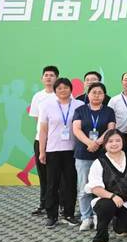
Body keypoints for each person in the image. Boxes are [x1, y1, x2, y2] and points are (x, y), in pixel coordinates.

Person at [38, 77, 84, 227]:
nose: (63, 90)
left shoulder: (79, 105)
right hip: (53, 150)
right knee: (52, 184)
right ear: (55, 90)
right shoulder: (47, 105)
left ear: (71, 89)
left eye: (65, 87)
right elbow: (43, 130)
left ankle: (69, 213)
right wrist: (42, 151)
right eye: (59, 88)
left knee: (70, 183)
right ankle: (52, 215)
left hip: (72, 150)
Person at [72, 82, 116, 231]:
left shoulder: (109, 111)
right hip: (83, 153)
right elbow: (76, 129)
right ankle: (86, 217)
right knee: (84, 187)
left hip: (103, 154)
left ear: (104, 95)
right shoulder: (80, 110)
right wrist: (89, 142)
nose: (97, 95)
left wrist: (97, 142)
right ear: (88, 94)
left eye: (100, 93)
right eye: (94, 92)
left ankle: (99, 216)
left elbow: (110, 129)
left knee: (102, 186)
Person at [86, 129, 127, 242]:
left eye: (117, 140)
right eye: (110, 141)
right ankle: (101, 237)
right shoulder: (99, 162)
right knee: (106, 206)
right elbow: (95, 188)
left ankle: (119, 224)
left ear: (123, 142)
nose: (114, 143)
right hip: (106, 200)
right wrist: (112, 196)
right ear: (105, 144)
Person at [27, 65, 59, 215]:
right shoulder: (38, 96)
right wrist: (43, 135)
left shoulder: (62, 94)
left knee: (58, 176)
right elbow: (37, 119)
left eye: (52, 75)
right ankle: (44, 204)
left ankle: (60, 205)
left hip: (58, 142)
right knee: (43, 174)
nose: (48, 78)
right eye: (46, 75)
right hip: (41, 141)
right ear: (42, 78)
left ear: (57, 78)